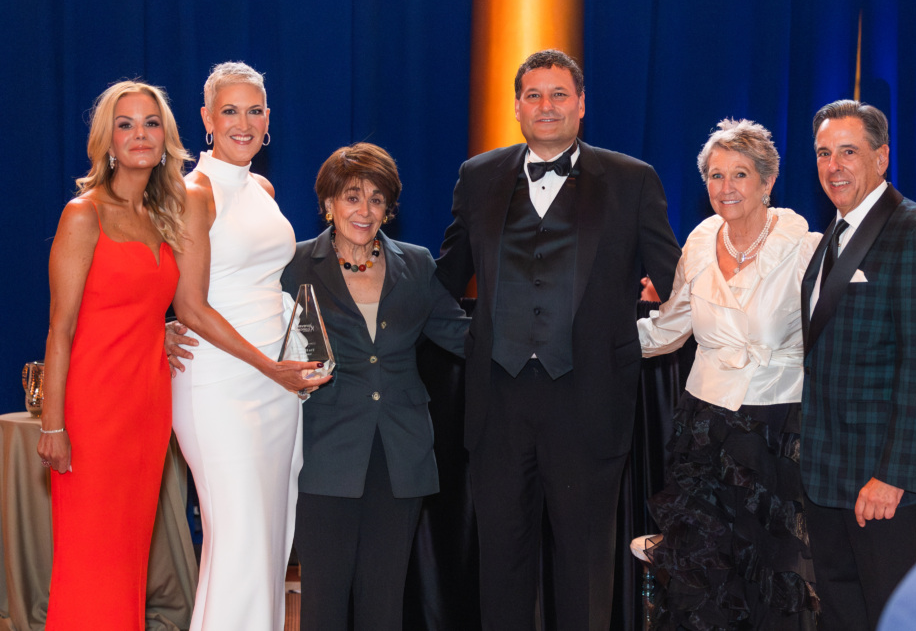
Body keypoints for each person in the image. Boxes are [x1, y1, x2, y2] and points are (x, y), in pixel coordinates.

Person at [435, 49, 682, 630]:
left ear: (581, 104)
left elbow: (677, 282)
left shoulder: (632, 179)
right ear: (517, 106)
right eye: (534, 95)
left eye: (559, 95)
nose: (546, 107)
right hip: (498, 404)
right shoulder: (478, 176)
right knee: (501, 564)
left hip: (590, 402)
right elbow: (442, 281)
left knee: (585, 565)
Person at [637, 119, 822, 629]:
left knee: (768, 566)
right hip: (704, 426)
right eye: (715, 176)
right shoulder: (698, 243)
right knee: (703, 568)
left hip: (776, 424)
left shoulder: (805, 247)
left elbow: (831, 337)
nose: (726, 188)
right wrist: (600, 341)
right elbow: (670, 327)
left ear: (767, 182)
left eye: (739, 175)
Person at [281, 142, 469, 630]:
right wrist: (177, 327)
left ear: (389, 208)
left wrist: (533, 339)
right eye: (351, 196)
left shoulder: (418, 264)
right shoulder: (295, 265)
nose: (364, 211)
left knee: (383, 600)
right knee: (324, 598)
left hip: (401, 453)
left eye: (377, 199)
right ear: (328, 203)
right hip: (324, 450)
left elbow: (461, 335)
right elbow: (250, 329)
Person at [168, 61, 327, 630]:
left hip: (278, 388)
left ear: (268, 120)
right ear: (207, 120)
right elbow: (189, 306)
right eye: (229, 111)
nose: (244, 123)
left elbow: (270, 285)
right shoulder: (194, 191)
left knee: (271, 537)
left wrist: (295, 359)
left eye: (254, 110)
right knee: (236, 539)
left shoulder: (262, 187)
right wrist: (270, 367)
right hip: (221, 384)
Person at [800, 99, 916, 629]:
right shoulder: (832, 234)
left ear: (882, 157)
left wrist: (891, 476)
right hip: (828, 477)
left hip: (884, 482)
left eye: (849, 151)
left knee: (901, 618)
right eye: (824, 153)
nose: (834, 165)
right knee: (843, 617)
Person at [37, 81, 189, 629]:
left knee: (129, 561)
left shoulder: (163, 218)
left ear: (165, 137)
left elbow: (141, 304)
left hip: (148, 410)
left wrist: (161, 329)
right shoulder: (84, 214)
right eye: (125, 124)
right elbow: (60, 328)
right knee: (90, 562)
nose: (139, 134)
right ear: (107, 141)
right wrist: (53, 425)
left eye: (150, 123)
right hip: (93, 412)